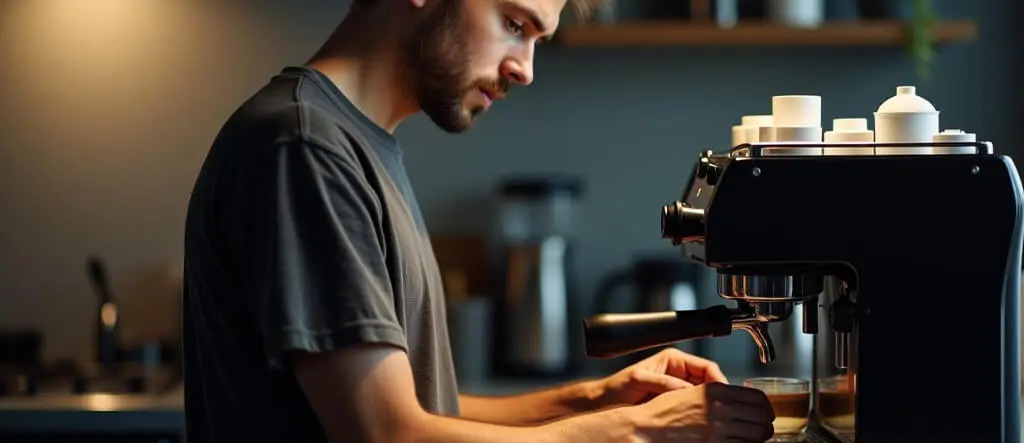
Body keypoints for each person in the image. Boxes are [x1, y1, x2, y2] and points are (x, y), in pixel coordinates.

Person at [182, 0, 777, 442]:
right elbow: (387, 436)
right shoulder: (305, 148)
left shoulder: (355, 144)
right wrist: (638, 431)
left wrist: (596, 399)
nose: (526, 69)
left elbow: (423, 413)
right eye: (515, 25)